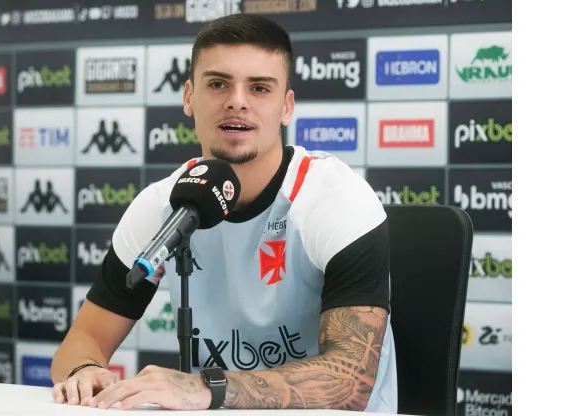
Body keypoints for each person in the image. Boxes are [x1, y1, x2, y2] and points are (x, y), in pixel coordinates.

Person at [50, 14, 397, 412]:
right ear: (188, 97)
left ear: (286, 107)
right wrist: (85, 369)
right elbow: (81, 341)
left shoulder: (334, 198)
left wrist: (206, 387)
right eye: (217, 84)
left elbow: (350, 381)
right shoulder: (161, 205)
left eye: (259, 88)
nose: (237, 101)